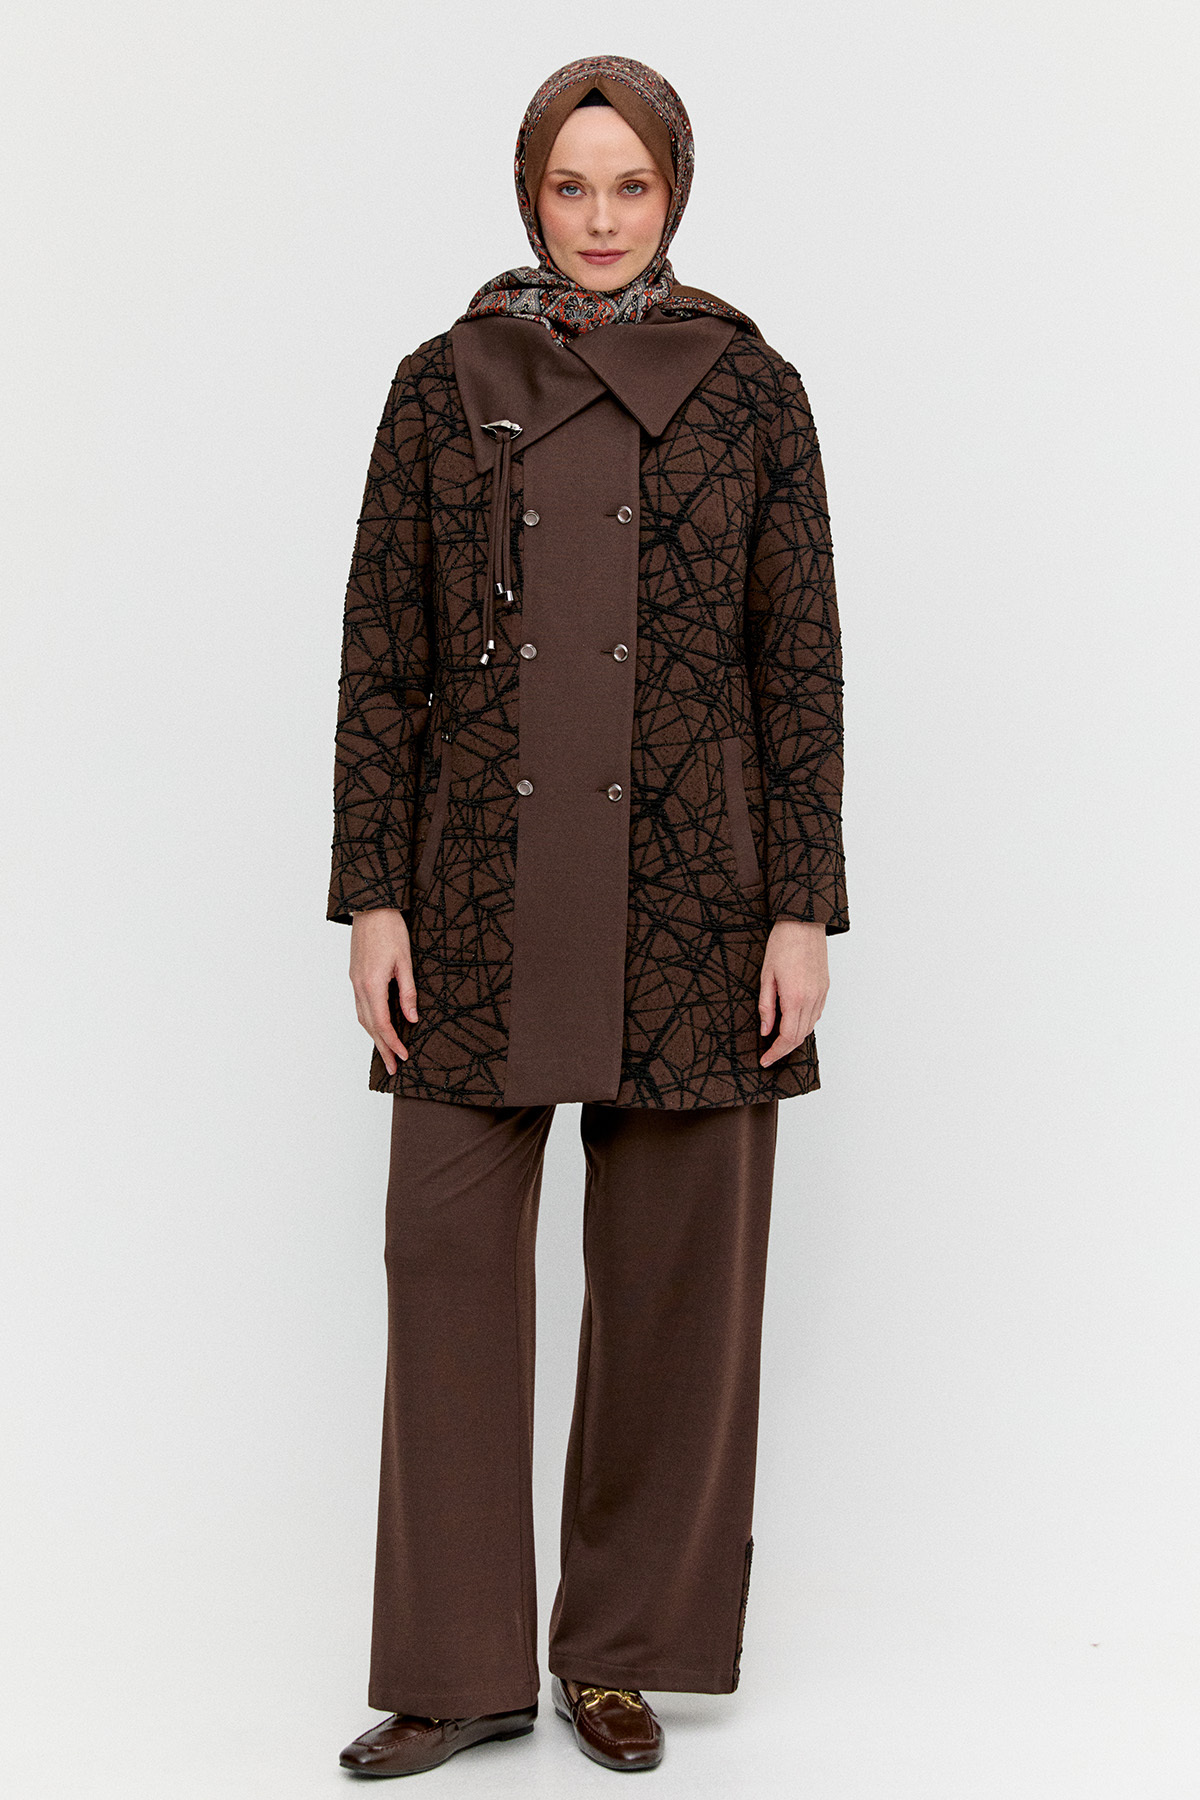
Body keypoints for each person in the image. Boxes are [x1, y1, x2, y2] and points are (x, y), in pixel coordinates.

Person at [328, 53, 848, 1778]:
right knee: (446, 1263)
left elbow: (800, 664)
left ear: (674, 192)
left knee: (675, 1287)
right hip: (472, 894)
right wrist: (372, 893)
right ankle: (457, 1669)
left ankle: (619, 1651)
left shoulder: (752, 389)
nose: (603, 219)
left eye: (632, 187)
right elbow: (383, 655)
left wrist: (802, 908)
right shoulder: (439, 384)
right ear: (529, 191)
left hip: (700, 898)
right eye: (573, 186)